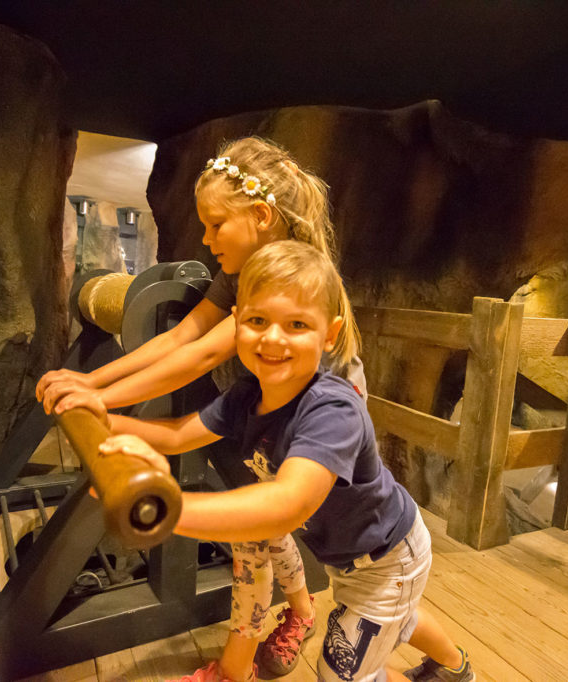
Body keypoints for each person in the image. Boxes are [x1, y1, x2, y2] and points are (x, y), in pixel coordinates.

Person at [67, 241, 474, 682]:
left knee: (343, 667)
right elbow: (182, 433)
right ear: (237, 322)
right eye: (258, 320)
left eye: (297, 324)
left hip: (388, 557)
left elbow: (288, 504)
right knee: (394, 618)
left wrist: (162, 508)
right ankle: (453, 667)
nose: (274, 338)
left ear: (330, 334)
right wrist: (102, 419)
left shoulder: (331, 410)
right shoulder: (249, 395)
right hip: (352, 558)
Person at [40, 137, 364, 677]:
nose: (207, 238)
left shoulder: (277, 280)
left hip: (313, 419)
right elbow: (183, 336)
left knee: (264, 527)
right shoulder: (242, 270)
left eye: (216, 224)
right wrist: (90, 380)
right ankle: (302, 613)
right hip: (267, 409)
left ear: (261, 216)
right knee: (265, 529)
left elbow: (197, 357)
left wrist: (98, 395)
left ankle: (236, 664)